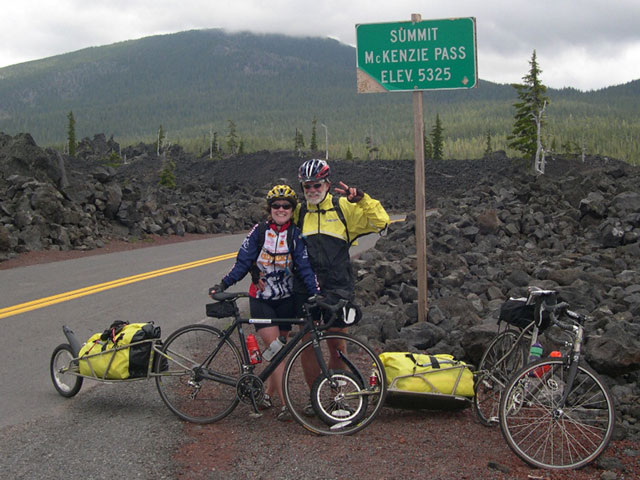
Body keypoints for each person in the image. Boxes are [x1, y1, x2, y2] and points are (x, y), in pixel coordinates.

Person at [209, 184, 320, 421]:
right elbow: (242, 262)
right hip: (261, 300)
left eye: (286, 206)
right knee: (278, 352)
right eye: (276, 205)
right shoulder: (259, 232)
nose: (281, 209)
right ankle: (286, 404)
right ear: (269, 208)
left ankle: (267, 394)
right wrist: (223, 285)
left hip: (287, 300)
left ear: (292, 209)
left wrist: (316, 292)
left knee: (276, 350)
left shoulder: (296, 235)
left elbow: (305, 268)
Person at [294, 158, 389, 414]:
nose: (312, 190)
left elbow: (381, 222)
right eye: (307, 186)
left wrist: (362, 200)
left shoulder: (343, 207)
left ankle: (338, 397)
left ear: (327, 184)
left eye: (316, 185)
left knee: (337, 343)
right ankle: (315, 399)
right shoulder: (299, 212)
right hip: (306, 285)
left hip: (338, 285)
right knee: (308, 343)